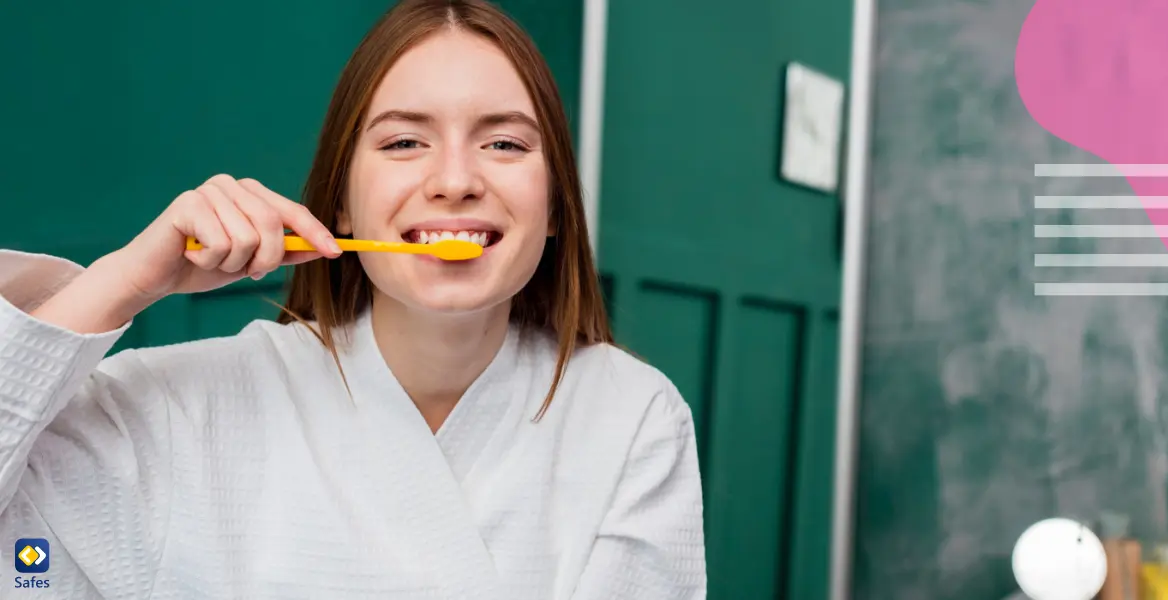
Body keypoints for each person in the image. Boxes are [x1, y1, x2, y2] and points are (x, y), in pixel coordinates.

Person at [0, 0, 706, 598]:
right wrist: (126, 279)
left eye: (504, 143)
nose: (455, 179)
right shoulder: (168, 409)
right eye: (403, 141)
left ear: (554, 206)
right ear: (339, 202)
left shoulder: (633, 417)